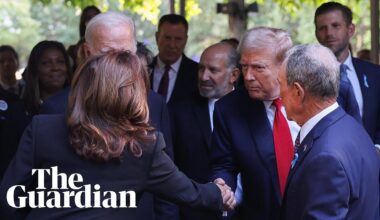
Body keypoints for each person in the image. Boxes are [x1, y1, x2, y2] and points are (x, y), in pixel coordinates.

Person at [0, 51, 236, 219]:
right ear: (133, 93)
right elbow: (190, 193)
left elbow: (9, 198)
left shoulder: (42, 129)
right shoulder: (143, 146)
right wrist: (219, 192)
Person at [39, 11, 176, 220]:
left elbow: (168, 186)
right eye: (107, 52)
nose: (117, 62)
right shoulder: (55, 108)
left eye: (125, 53)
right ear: (86, 52)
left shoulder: (154, 103)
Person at [279, 43, 379, 220]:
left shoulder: (326, 158)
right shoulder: (350, 125)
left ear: (298, 92)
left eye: (281, 85)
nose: (279, 95)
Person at [209, 27, 300, 220]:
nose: (248, 76)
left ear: (285, 65)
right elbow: (224, 164)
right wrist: (222, 185)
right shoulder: (229, 109)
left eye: (258, 67)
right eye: (244, 66)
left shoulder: (309, 96)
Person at [170, 42, 240, 220]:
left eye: (213, 70)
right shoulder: (179, 111)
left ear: (234, 75)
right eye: (201, 69)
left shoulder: (251, 109)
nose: (203, 76)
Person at [0, 40, 70, 180]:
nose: (55, 67)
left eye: (60, 62)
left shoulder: (83, 108)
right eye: (46, 63)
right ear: (35, 69)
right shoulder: (18, 112)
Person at [314, 2, 380, 147]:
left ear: (351, 29)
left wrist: (377, 148)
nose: (329, 33)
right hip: (326, 162)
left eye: (335, 25)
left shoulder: (375, 74)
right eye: (322, 28)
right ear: (316, 34)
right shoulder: (307, 77)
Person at [150, 14, 198, 107]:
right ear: (157, 37)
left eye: (178, 39)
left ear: (186, 40)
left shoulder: (198, 74)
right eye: (167, 38)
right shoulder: (142, 70)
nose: (172, 45)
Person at [67, 5, 101, 72]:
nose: (93, 20)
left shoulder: (113, 45)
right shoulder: (73, 50)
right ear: (83, 24)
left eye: (96, 16)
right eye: (89, 18)